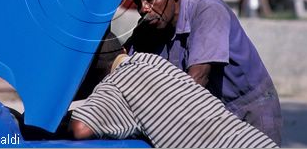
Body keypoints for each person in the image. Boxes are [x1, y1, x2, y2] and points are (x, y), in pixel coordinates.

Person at [122, 0, 282, 145]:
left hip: (250, 107)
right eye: (138, 3)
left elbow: (197, 80)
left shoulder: (207, 9)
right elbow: (123, 64)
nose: (143, 9)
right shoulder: (151, 27)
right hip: (212, 113)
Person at [69, 36, 278, 148]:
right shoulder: (150, 59)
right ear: (123, 50)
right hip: (255, 141)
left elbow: (81, 128)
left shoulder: (112, 87)